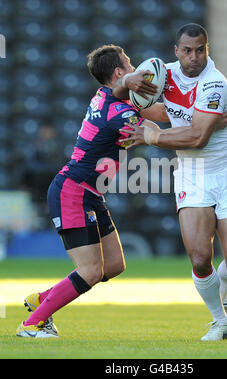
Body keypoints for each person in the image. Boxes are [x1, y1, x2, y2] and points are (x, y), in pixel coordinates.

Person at [117, 23, 227, 341]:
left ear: (208, 49)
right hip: (192, 174)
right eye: (187, 50)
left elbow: (198, 137)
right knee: (199, 257)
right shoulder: (163, 74)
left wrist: (153, 136)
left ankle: (224, 292)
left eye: (200, 49)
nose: (194, 57)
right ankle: (220, 319)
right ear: (176, 51)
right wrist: (127, 86)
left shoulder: (215, 84)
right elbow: (152, 107)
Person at [16, 44, 158, 338]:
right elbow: (156, 131)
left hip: (89, 194)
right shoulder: (118, 113)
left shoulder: (105, 97)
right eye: (129, 65)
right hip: (73, 192)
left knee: (114, 265)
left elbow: (151, 109)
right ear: (119, 72)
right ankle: (33, 324)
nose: (133, 68)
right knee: (91, 271)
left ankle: (44, 298)